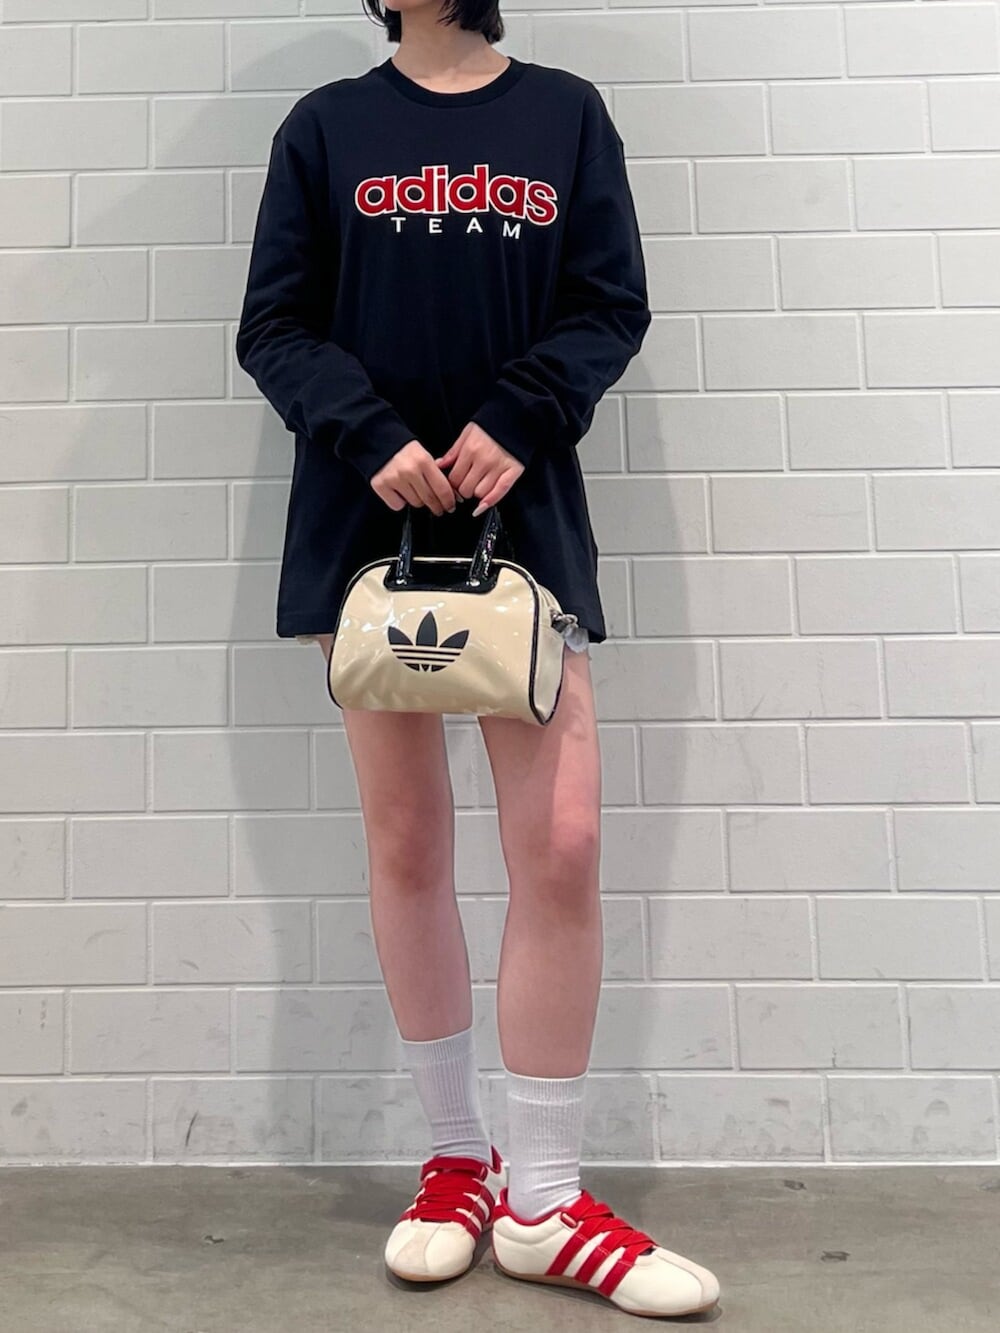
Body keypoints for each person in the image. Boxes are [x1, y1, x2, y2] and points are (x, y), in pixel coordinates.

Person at [235, 0, 721, 1318]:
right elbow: (274, 325)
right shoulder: (326, 128)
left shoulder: (564, 115)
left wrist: (519, 414)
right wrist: (368, 433)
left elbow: (610, 303)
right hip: (369, 529)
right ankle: (458, 1161)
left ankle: (545, 1202)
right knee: (406, 842)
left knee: (560, 843)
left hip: (525, 523)